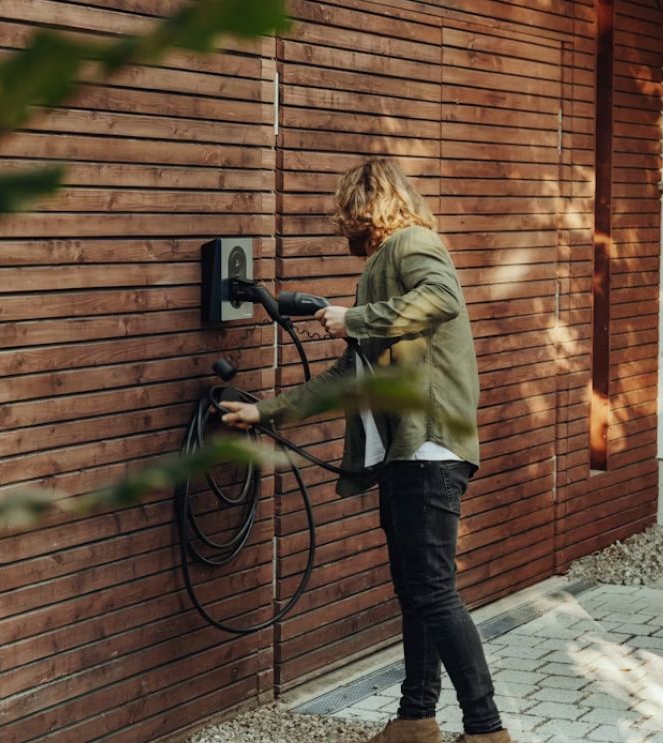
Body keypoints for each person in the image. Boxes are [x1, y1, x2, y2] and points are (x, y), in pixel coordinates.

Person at [219, 158, 512, 743]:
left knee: (432, 589)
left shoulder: (411, 243)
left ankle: (486, 729)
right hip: (405, 456)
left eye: (345, 213)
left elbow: (443, 298)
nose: (341, 225)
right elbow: (348, 376)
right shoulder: (382, 267)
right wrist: (265, 411)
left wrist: (354, 316)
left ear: (365, 207)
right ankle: (416, 718)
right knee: (416, 592)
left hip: (428, 448)